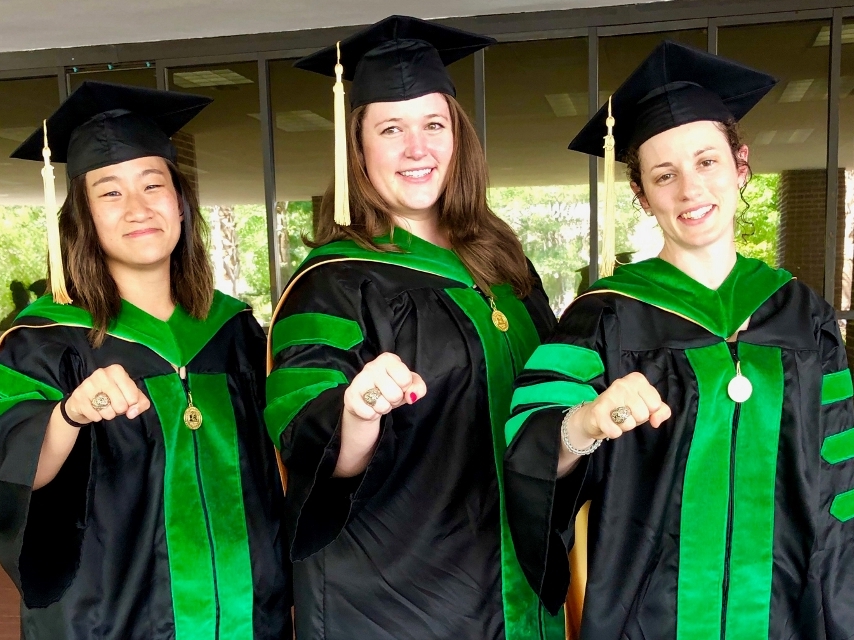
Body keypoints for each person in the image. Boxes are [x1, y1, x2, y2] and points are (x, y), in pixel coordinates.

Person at [504, 40, 854, 639]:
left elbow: (840, 488)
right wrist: (586, 420)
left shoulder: (803, 316)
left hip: (789, 613)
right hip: (647, 616)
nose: (690, 190)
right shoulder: (606, 317)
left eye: (707, 162)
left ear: (742, 164)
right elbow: (527, 445)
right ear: (641, 194)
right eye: (664, 174)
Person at [265, 15, 562, 640]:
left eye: (434, 124)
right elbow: (308, 444)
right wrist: (357, 411)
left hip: (515, 586)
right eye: (391, 129)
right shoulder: (333, 282)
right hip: (394, 600)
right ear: (358, 148)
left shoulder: (505, 264)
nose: (416, 148)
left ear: (459, 137)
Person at [0, 81, 291, 640]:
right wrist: (68, 416)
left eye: (153, 184)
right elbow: (13, 473)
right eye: (109, 192)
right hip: (113, 622)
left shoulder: (234, 332)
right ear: (83, 216)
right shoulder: (41, 340)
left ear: (180, 203)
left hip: (250, 614)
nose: (138, 208)